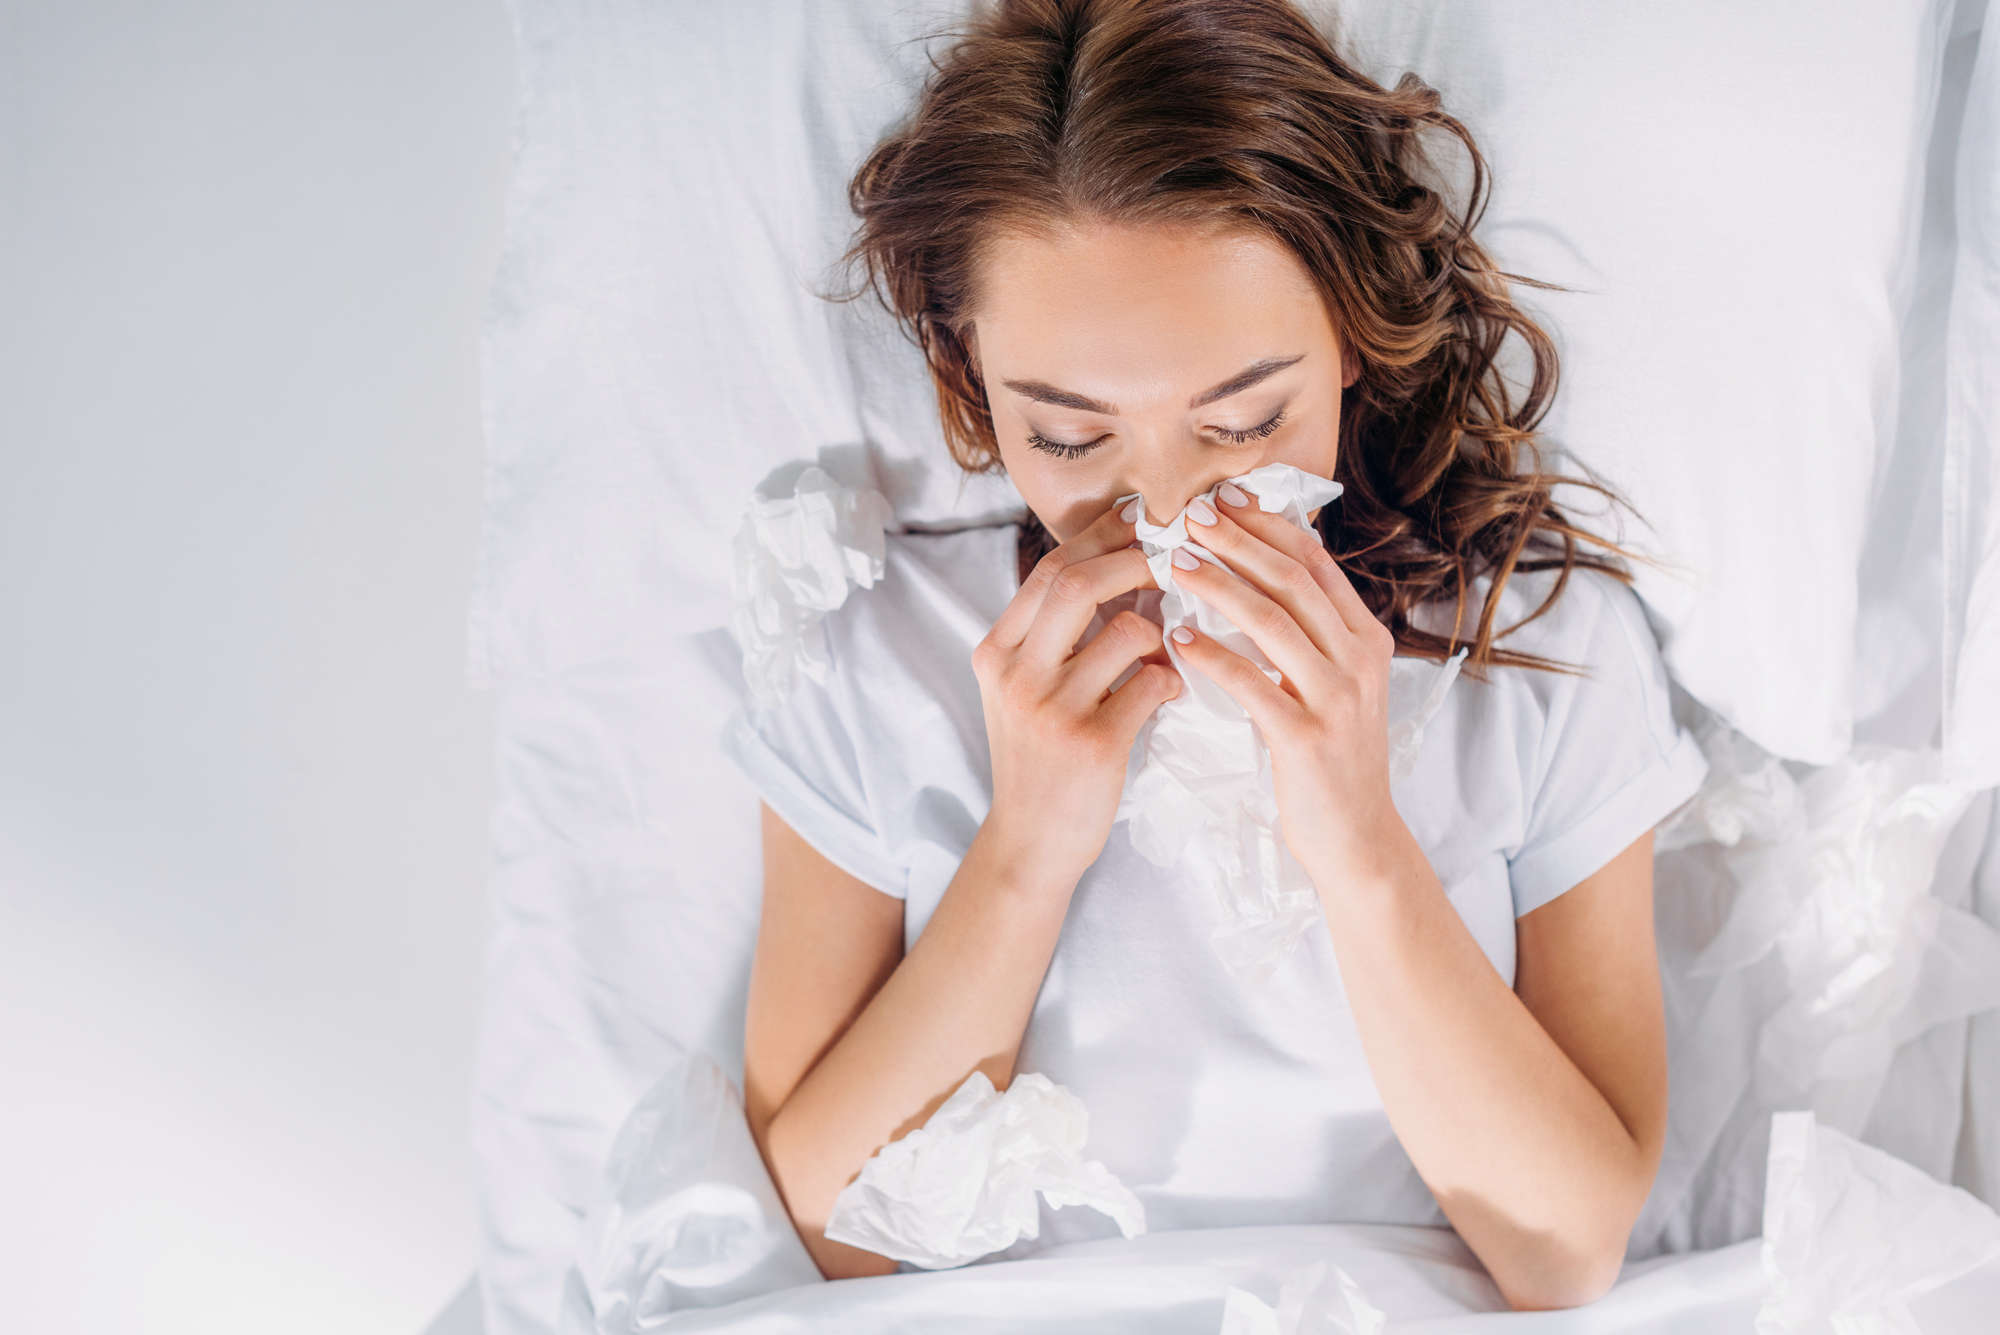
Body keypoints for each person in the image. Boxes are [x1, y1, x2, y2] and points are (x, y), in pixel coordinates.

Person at [720, 0, 1710, 1312]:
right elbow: (826, 1236)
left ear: (1349, 337)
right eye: (1070, 438)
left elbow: (1564, 1251)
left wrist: (1359, 844)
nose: (1167, 507)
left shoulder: (1537, 651)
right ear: (972, 379)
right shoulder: (875, 654)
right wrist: (1026, 854)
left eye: (1243, 423)